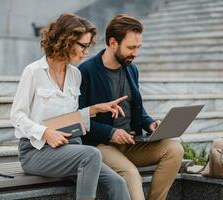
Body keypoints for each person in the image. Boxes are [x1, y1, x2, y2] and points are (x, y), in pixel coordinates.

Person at [10, 13, 131, 200]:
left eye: (88, 46)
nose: (86, 52)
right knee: (91, 154)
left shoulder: (75, 74)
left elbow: (69, 119)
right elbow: (17, 116)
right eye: (83, 46)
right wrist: (45, 133)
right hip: (36, 151)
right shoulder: (33, 72)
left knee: (118, 183)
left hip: (69, 149)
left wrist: (95, 110)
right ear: (66, 41)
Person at [78, 14, 184, 200]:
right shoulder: (86, 71)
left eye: (138, 47)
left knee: (174, 149)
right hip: (101, 145)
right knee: (131, 173)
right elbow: (79, 119)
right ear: (113, 42)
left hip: (131, 143)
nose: (135, 53)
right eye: (131, 47)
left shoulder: (131, 69)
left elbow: (136, 108)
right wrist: (111, 133)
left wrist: (150, 124)